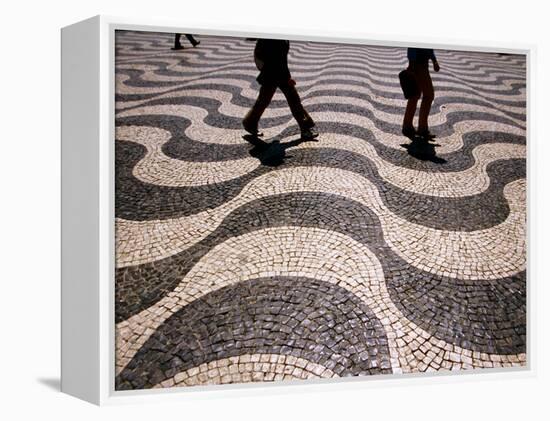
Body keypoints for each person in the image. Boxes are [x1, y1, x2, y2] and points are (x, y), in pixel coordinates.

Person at [243, 39, 318, 140]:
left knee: (264, 100)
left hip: (275, 72)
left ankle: (250, 123)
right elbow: (277, 59)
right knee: (293, 100)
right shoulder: (275, 39)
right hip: (274, 72)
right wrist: (287, 78)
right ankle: (305, 128)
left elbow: (280, 59)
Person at [402, 47, 440, 138]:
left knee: (415, 95)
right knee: (428, 95)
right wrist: (412, 63)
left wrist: (434, 60)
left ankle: (407, 126)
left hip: (420, 63)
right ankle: (422, 128)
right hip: (419, 64)